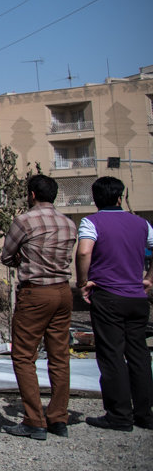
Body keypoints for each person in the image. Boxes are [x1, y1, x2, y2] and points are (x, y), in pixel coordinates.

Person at [0, 174, 77, 440]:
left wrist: (25, 257)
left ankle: (34, 419)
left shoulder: (24, 221)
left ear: (32, 194)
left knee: (23, 356)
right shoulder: (69, 223)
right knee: (59, 356)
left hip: (36, 293)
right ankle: (58, 417)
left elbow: (7, 255)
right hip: (63, 291)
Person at [75, 176, 153, 432]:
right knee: (139, 354)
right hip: (137, 297)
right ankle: (145, 413)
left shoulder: (92, 222)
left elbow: (85, 251)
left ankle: (119, 414)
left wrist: (84, 281)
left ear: (95, 199)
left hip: (108, 294)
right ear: (120, 197)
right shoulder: (142, 224)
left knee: (111, 355)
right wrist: (149, 278)